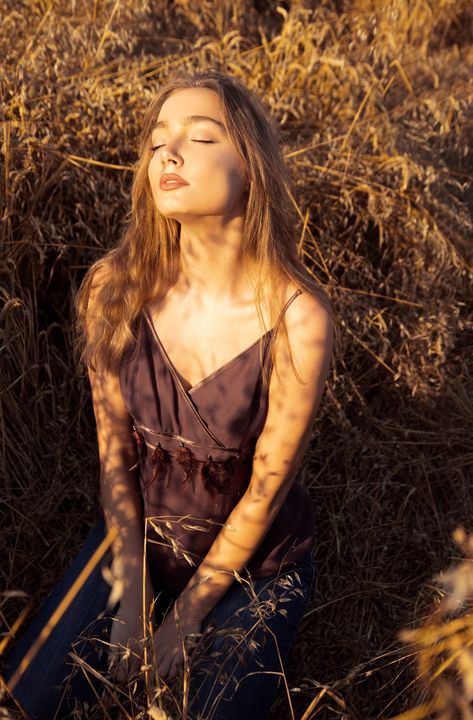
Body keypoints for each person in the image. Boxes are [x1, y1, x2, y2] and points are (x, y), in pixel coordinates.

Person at [2, 69, 334, 719]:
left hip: (255, 566)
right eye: (157, 142)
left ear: (251, 166)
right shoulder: (112, 288)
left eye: (199, 137)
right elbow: (114, 459)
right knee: (28, 703)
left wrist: (182, 620)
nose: (168, 154)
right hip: (135, 540)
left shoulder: (298, 317)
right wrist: (131, 594)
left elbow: (265, 493)